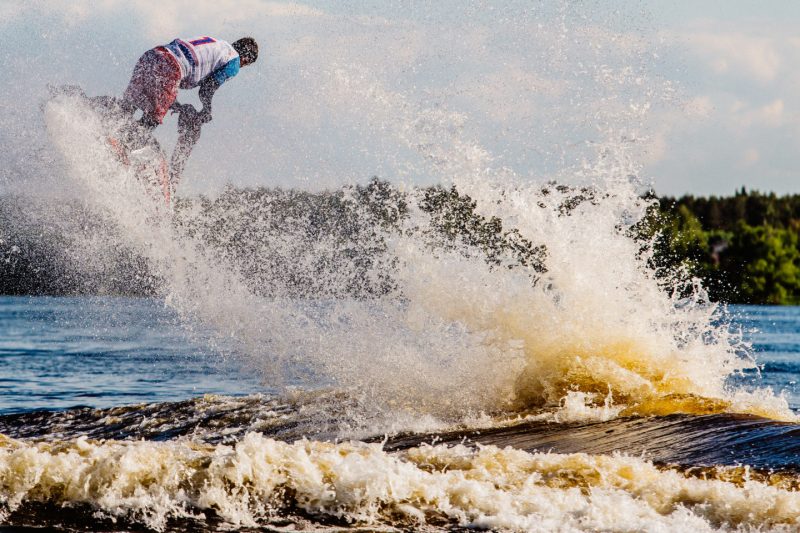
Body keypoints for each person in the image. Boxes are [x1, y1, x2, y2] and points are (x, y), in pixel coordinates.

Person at [120, 36, 258, 181]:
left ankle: (113, 132)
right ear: (246, 59)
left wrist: (175, 104)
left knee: (129, 106)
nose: (242, 66)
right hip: (170, 66)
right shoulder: (234, 60)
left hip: (153, 55)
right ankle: (124, 147)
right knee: (151, 120)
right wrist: (206, 109)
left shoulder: (218, 44)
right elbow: (207, 88)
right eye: (245, 64)